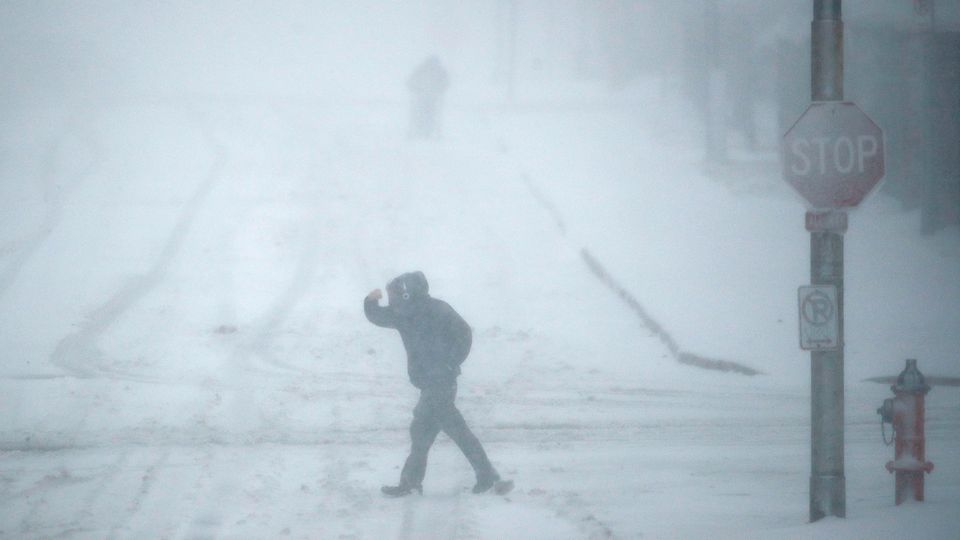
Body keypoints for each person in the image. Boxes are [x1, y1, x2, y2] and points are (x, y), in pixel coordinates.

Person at [364, 271, 507, 497]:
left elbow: (464, 334)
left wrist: (450, 363)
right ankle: (413, 482)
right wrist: (370, 302)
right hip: (430, 384)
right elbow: (379, 317)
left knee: (451, 432)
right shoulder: (404, 313)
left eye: (394, 295)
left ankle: (485, 475)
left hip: (441, 382)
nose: (391, 300)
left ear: (407, 294)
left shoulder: (437, 310)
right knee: (423, 433)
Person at [407, 56, 449, 139]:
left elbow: (411, 80)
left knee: (424, 113)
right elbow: (411, 80)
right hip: (427, 96)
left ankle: (424, 130)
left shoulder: (424, 69)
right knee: (428, 113)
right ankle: (424, 130)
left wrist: (414, 87)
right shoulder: (439, 71)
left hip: (426, 96)